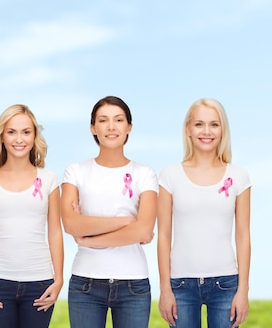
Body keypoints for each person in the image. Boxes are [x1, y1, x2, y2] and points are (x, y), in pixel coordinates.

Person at [61, 95, 158, 328]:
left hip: (133, 284)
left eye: (118, 120)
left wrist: (90, 239)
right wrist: (126, 221)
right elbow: (72, 225)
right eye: (103, 120)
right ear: (93, 128)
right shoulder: (75, 171)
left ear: (129, 127)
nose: (111, 126)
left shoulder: (145, 174)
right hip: (86, 283)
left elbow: (144, 229)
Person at [157, 98, 251, 328]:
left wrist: (243, 291)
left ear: (222, 130)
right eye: (199, 124)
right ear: (188, 129)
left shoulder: (238, 177)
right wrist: (165, 290)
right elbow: (163, 236)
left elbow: (243, 236)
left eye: (214, 124)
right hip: (180, 285)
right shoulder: (170, 176)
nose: (206, 131)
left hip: (226, 285)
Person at [0, 104, 64, 328]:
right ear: (1, 136)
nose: (19, 139)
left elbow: (54, 232)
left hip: (40, 282)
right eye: (11, 132)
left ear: (34, 136)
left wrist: (59, 279)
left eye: (26, 132)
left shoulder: (49, 179)